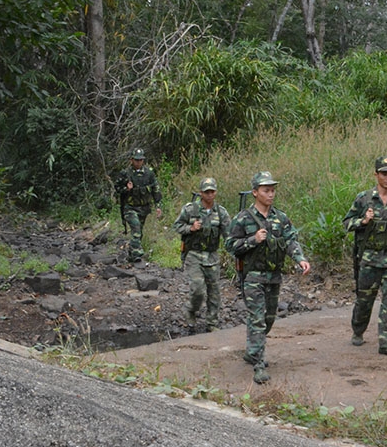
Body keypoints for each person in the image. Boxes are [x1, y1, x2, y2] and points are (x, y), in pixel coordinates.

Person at [225, 171, 310, 384]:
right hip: (253, 277)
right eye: (266, 190)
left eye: (272, 190)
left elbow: (291, 240)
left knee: (269, 317)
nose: (270, 194)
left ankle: (252, 350)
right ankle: (259, 364)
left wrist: (300, 259)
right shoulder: (243, 218)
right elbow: (230, 246)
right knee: (257, 320)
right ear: (255, 192)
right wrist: (253, 240)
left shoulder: (280, 218)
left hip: (273, 276)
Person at [344, 155, 387, 357]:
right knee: (365, 301)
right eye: (384, 174)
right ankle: (358, 330)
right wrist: (363, 221)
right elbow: (346, 223)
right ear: (376, 175)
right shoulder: (364, 199)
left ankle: (386, 344)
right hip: (369, 258)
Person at [173, 177, 231, 334]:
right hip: (194, 255)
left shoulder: (221, 212)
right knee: (198, 289)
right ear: (201, 193)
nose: (210, 195)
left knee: (214, 292)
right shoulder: (190, 209)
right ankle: (191, 310)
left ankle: (211, 322)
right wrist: (190, 228)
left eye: (212, 191)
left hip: (212, 256)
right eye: (206, 192)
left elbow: (229, 235)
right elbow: (177, 226)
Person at [114, 148, 163, 264]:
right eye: (136, 160)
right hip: (130, 207)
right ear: (132, 160)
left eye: (140, 160)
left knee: (139, 232)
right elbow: (117, 189)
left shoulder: (149, 173)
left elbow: (155, 189)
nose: (138, 162)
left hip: (144, 207)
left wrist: (158, 206)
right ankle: (137, 254)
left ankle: (132, 254)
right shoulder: (126, 174)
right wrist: (126, 188)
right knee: (136, 228)